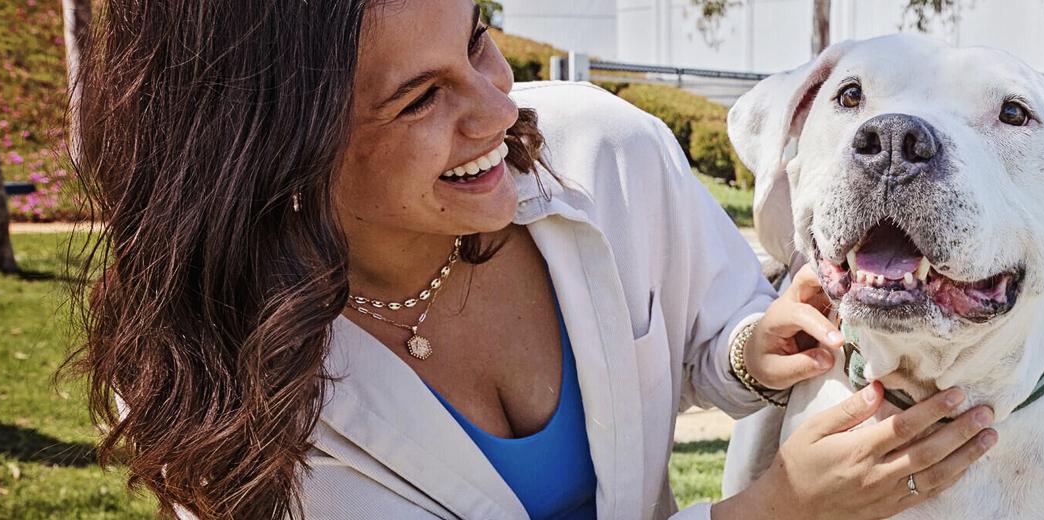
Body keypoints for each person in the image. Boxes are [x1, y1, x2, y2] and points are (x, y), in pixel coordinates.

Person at [68, 1, 996, 518]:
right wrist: (782, 512)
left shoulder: (610, 155)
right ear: (277, 152)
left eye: (477, 40)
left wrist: (748, 351)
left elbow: (691, 345)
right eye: (421, 98)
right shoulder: (212, 393)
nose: (498, 112)